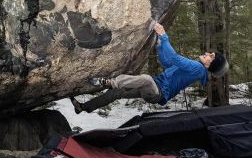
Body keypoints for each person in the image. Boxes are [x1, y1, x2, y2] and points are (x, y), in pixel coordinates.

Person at [71, 22, 229, 113]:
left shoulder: (197, 68)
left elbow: (174, 57)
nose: (207, 53)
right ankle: (83, 107)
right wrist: (160, 47)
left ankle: (108, 82)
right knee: (116, 94)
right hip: (154, 88)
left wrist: (163, 35)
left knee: (145, 79)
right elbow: (168, 63)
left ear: (211, 64)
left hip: (157, 92)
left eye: (211, 56)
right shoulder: (195, 69)